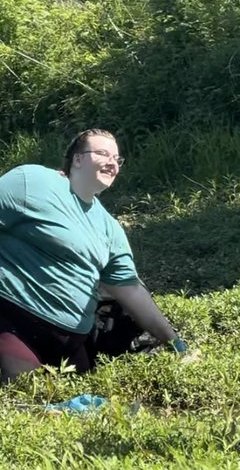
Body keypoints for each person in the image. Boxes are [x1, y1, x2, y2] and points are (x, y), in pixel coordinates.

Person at [0, 129, 188, 383]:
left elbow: (130, 290)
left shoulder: (109, 227)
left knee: (79, 395)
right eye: (102, 153)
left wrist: (175, 342)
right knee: (27, 393)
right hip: (16, 319)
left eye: (117, 159)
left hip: (71, 340)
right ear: (77, 160)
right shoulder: (31, 182)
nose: (112, 163)